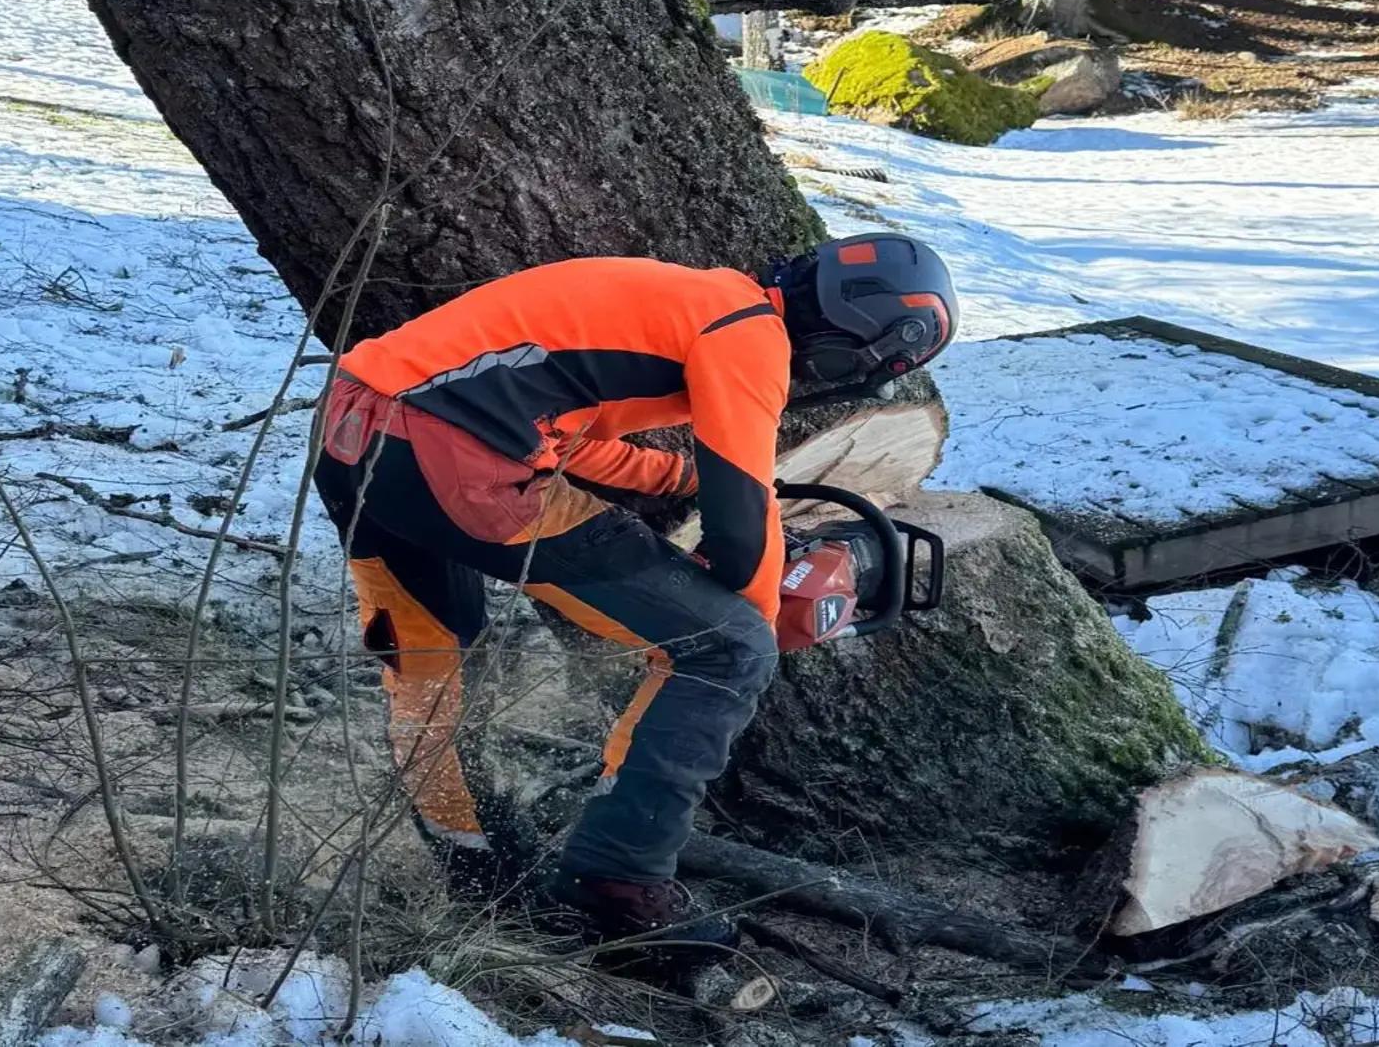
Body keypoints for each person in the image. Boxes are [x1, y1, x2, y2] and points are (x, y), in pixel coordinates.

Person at [313, 232, 956, 945]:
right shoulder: (747, 333)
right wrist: (760, 617)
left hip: (349, 430)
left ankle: (475, 866)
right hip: (455, 459)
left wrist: (675, 479)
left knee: (429, 661)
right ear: (862, 345)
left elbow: (570, 435)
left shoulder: (687, 296)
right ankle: (615, 878)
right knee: (725, 650)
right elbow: (741, 520)